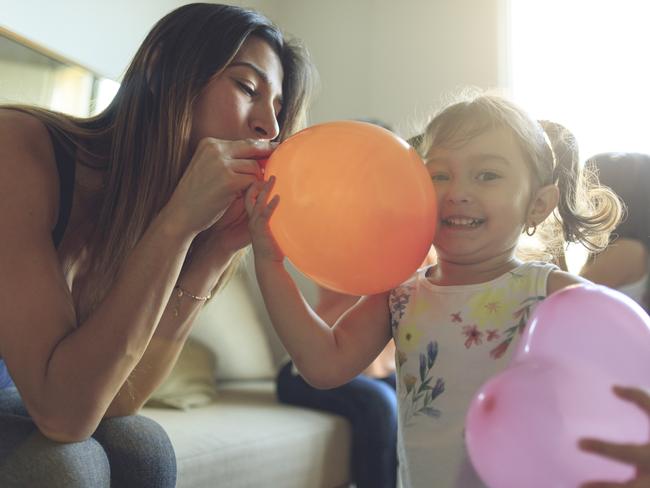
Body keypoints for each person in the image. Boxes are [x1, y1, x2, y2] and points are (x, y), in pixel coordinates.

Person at [244, 93, 639, 486]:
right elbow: (323, 366)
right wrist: (270, 263)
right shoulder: (400, 297)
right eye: (439, 175)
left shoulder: (553, 294)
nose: (458, 192)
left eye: (487, 175)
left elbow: (628, 365)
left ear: (537, 204)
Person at [0, 3, 315, 486]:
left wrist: (214, 254)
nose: (269, 129)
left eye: (277, 111)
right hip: (25, 392)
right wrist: (177, 225)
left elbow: (117, 402)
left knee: (141, 443)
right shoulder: (17, 147)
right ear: (160, 69)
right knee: (64, 463)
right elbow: (65, 417)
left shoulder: (137, 213)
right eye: (247, 87)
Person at [579, 152, 650, 311]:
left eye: (588, 188)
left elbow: (567, 297)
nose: (584, 199)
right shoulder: (633, 246)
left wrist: (553, 246)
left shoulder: (627, 249)